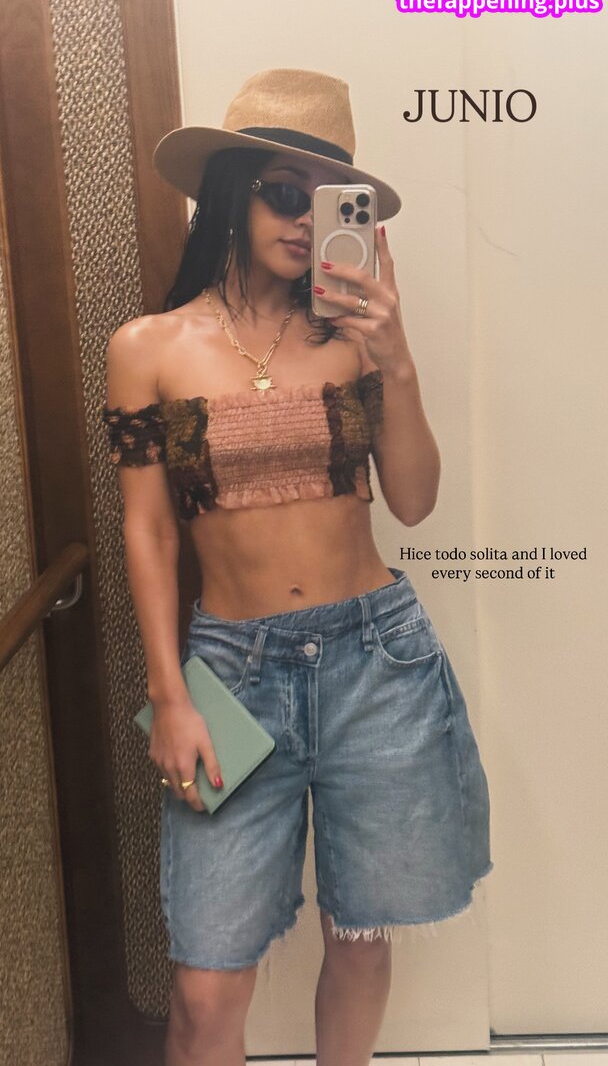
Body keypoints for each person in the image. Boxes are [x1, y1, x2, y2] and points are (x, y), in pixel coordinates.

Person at [102, 69, 493, 1066]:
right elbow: (149, 531)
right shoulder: (148, 348)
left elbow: (413, 500)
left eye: (328, 201)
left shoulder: (353, 343)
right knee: (205, 986)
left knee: (359, 939)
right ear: (229, 193)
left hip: (378, 664)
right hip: (230, 674)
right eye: (283, 192)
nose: (302, 220)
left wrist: (395, 357)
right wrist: (168, 693)